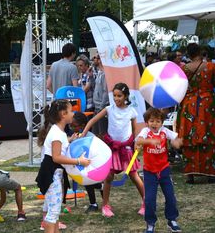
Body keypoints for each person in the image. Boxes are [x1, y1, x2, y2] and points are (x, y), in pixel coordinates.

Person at [82, 83, 145, 218]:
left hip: (126, 148)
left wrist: (136, 144)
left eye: (119, 96)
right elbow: (92, 120)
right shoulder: (109, 109)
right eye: (115, 96)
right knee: (108, 177)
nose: (116, 99)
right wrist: (83, 134)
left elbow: (135, 131)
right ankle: (106, 205)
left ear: (126, 96)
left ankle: (146, 203)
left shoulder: (131, 111)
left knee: (134, 176)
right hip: (112, 149)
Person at [36, 99, 90, 233]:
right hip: (51, 175)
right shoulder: (57, 134)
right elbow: (56, 157)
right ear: (63, 114)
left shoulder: (58, 132)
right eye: (71, 111)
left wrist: (70, 140)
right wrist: (79, 161)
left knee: (54, 211)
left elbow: (59, 148)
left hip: (53, 174)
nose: (73, 114)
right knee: (53, 213)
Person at [135, 108, 182, 233]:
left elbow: (175, 138)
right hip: (150, 172)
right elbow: (139, 140)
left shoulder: (165, 131)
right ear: (147, 122)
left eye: (157, 121)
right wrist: (149, 141)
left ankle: (172, 220)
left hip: (164, 170)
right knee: (150, 199)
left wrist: (176, 142)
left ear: (162, 123)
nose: (154, 124)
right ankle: (150, 224)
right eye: (151, 121)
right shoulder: (145, 131)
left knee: (170, 196)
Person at [176, 43, 215, 184]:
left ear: (188, 54)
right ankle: (210, 173)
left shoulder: (183, 69)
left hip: (188, 107)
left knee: (189, 135)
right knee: (209, 135)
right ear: (200, 52)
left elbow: (179, 88)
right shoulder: (211, 67)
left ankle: (190, 174)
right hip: (207, 106)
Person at [69, 112, 103, 213]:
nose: (72, 128)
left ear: (83, 126)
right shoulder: (75, 135)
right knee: (88, 183)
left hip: (93, 164)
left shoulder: (90, 136)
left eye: (74, 126)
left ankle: (105, 202)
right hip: (82, 164)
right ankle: (93, 203)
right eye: (70, 125)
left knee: (93, 182)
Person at [92, 54, 109, 139]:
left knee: (102, 133)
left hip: (101, 107)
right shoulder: (99, 73)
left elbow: (106, 92)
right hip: (97, 106)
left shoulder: (105, 74)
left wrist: (102, 106)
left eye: (96, 58)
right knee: (96, 132)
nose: (94, 59)